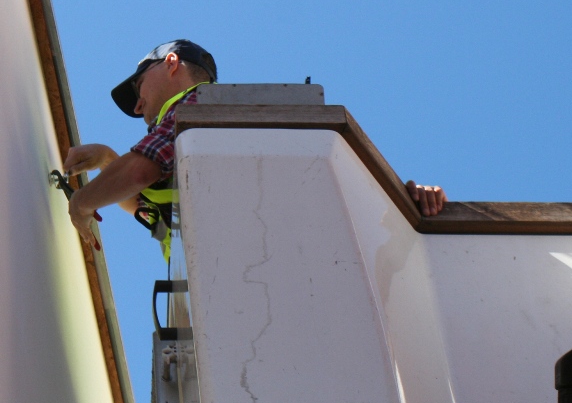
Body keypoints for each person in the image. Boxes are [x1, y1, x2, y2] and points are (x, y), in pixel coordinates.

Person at [64, 39, 446, 258]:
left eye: (138, 86)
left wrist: (81, 205)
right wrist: (108, 161)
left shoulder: (196, 107)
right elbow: (150, 205)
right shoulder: (202, 147)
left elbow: (139, 173)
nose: (137, 105)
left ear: (172, 63)